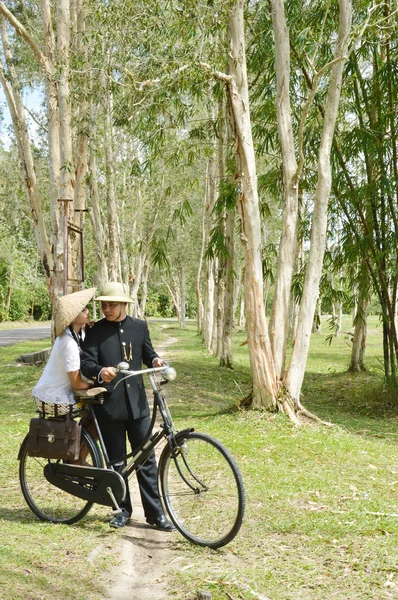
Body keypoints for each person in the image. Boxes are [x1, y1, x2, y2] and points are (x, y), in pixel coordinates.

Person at [80, 281, 175, 531]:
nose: (107, 309)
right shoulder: (94, 331)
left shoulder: (139, 327)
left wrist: (156, 359)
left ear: (124, 305)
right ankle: (121, 510)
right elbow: (86, 364)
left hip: (138, 406)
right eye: (104, 305)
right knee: (117, 462)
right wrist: (101, 371)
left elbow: (147, 353)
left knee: (146, 459)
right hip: (108, 406)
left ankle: (156, 514)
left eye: (112, 304)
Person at [32, 288, 96, 414]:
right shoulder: (68, 343)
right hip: (53, 398)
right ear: (72, 318)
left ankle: (83, 433)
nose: (87, 311)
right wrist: (95, 385)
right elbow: (77, 384)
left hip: (58, 392)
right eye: (83, 310)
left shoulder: (77, 335)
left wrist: (90, 331)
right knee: (97, 408)